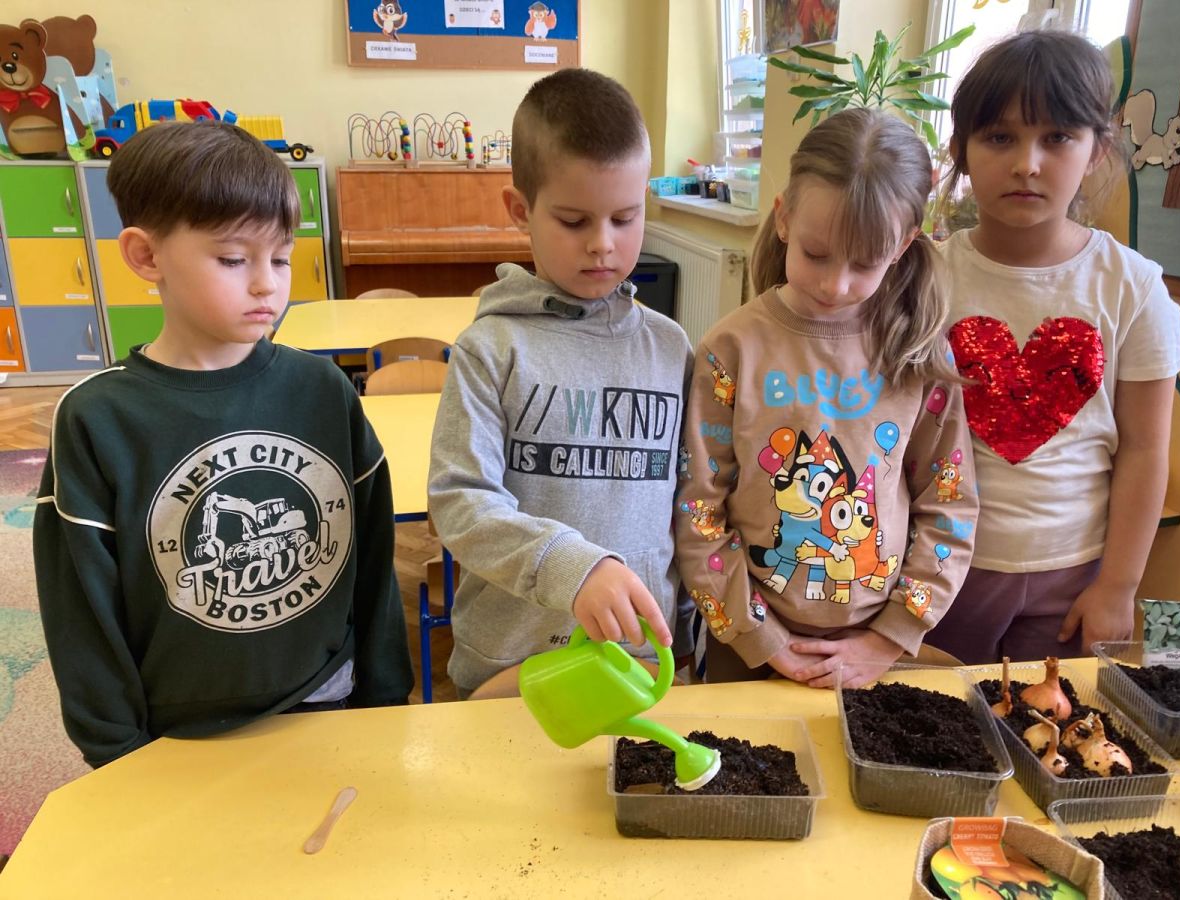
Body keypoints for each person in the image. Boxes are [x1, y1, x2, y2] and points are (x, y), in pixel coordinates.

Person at [34, 121, 413, 768]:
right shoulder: (96, 417)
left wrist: (384, 696)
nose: (267, 283)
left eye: (282, 258)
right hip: (173, 735)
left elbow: (374, 557)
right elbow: (80, 609)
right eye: (234, 259)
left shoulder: (324, 390)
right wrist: (117, 752)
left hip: (326, 704)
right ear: (146, 256)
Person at [676, 108, 977, 690]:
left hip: (876, 648)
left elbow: (950, 503)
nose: (835, 284)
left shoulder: (918, 352)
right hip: (747, 646)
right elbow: (699, 508)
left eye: (864, 264)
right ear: (783, 218)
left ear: (904, 244)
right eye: (816, 254)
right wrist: (760, 638)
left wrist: (890, 637)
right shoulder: (731, 347)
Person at [427, 68, 692, 697]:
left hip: (638, 665)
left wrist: (686, 624)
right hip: (508, 668)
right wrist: (572, 567)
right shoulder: (491, 348)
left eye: (625, 217)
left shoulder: (670, 348)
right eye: (574, 221)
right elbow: (461, 503)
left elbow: (688, 503)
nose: (603, 244)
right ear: (520, 210)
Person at [925, 30, 1180, 665]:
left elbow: (1146, 450)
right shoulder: (923, 277)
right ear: (960, 150)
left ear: (1097, 150)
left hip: (1073, 577)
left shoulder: (1133, 286)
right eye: (999, 137)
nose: (1027, 163)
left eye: (1058, 138)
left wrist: (1118, 587)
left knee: (1052, 718)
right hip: (937, 571)